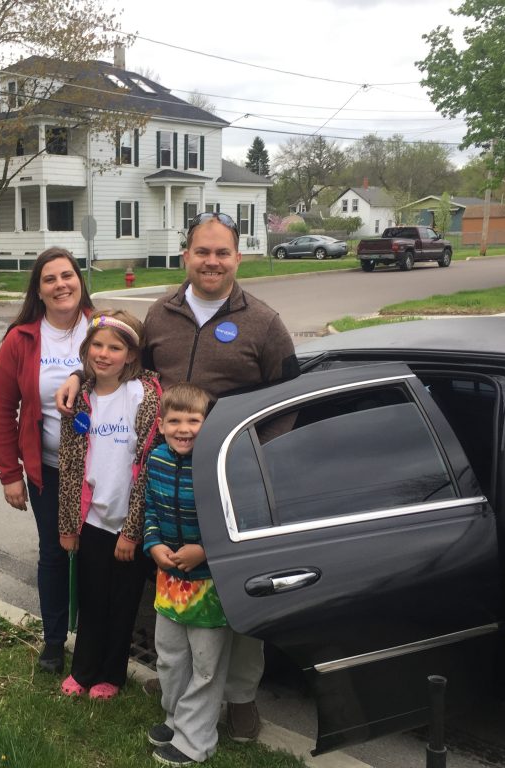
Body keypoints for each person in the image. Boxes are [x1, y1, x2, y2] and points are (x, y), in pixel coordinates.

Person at [58, 211, 299, 740]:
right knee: (175, 583)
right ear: (186, 254)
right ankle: (180, 685)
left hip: (229, 483)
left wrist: (256, 465)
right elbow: (121, 360)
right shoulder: (161, 314)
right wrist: (79, 374)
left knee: (234, 589)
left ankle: (240, 698)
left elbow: (288, 401)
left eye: (222, 252)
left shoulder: (264, 323)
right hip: (164, 479)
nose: (212, 262)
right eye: (202, 251)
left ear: (238, 257)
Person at [0, 247, 94, 675]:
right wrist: (9, 474)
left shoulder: (102, 327)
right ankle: (53, 640)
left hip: (101, 470)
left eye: (67, 275)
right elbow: (2, 410)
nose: (60, 285)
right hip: (47, 470)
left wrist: (80, 374)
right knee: (53, 553)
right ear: (38, 290)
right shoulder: (21, 340)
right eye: (50, 279)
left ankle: (94, 638)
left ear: (80, 280)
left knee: (96, 555)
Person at [56, 310, 162, 700]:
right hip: (93, 522)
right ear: (86, 350)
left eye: (115, 348)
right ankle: (83, 669)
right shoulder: (78, 399)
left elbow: (148, 466)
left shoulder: (143, 397)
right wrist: (68, 526)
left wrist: (132, 531)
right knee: (92, 599)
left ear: (131, 355)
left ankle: (111, 674)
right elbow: (70, 466)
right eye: (97, 345)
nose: (104, 354)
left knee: (123, 604)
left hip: (128, 525)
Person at [143, 384, 227, 767]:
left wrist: (204, 551)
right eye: (174, 420)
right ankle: (176, 719)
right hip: (170, 581)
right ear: (161, 425)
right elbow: (149, 509)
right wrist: (153, 544)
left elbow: (232, 519)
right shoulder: (156, 460)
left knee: (206, 666)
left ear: (207, 424)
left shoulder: (217, 465)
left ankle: (196, 740)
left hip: (211, 584)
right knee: (171, 656)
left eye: (194, 420)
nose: (184, 429)